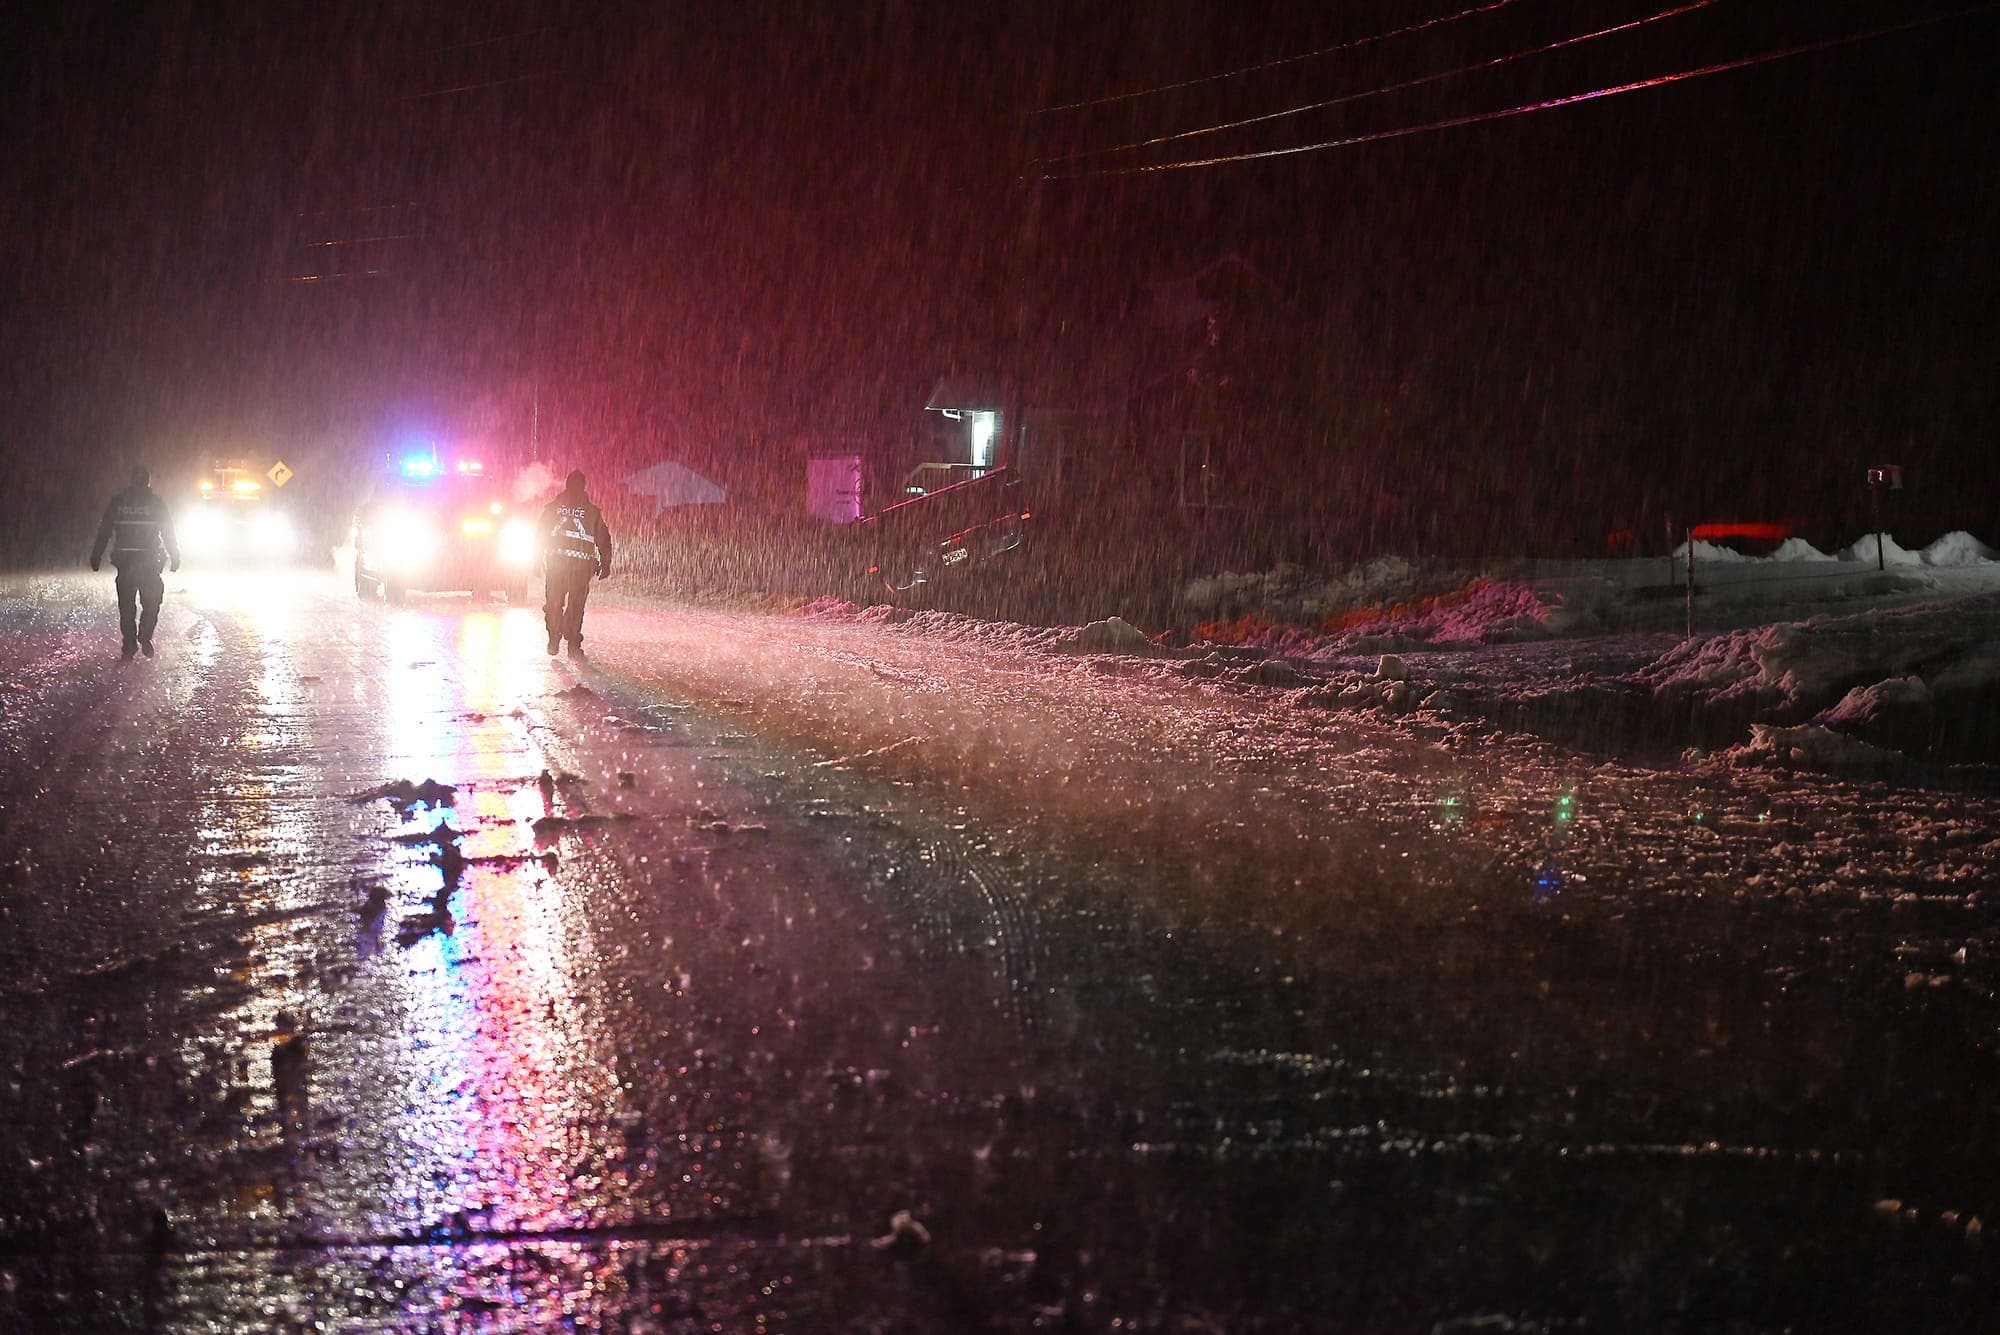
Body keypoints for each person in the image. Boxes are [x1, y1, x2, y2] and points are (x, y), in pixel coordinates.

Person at [89, 466, 181, 660]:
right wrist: (174, 555)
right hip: (149, 563)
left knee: (127, 606)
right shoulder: (156, 503)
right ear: (148, 481)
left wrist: (96, 555)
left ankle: (129, 643)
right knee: (152, 603)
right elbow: (168, 531)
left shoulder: (118, 502)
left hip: (126, 563)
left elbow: (104, 530)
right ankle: (144, 636)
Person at [538, 469, 612, 660]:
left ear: (566, 485)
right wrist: (605, 563)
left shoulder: (552, 508)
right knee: (576, 607)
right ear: (584, 486)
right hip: (580, 569)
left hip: (557, 566)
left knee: (554, 603)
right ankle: (572, 644)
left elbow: (540, 535)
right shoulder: (591, 512)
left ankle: (554, 638)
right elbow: (603, 539)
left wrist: (536, 559)